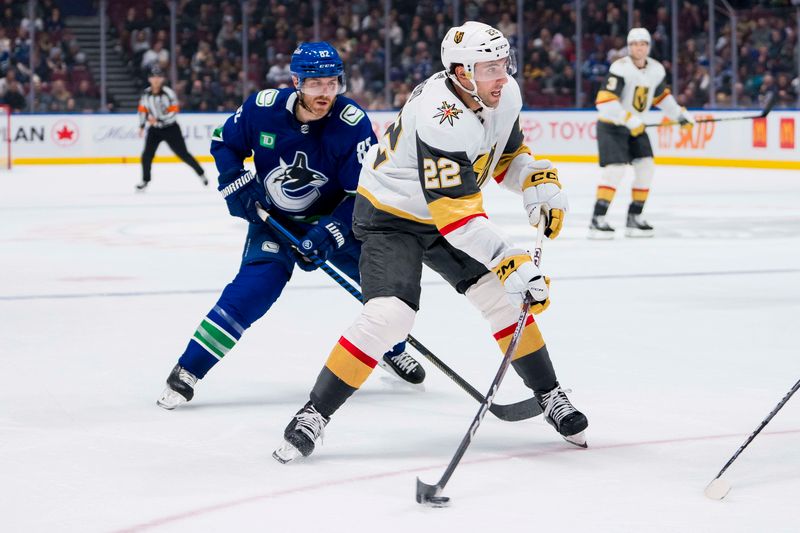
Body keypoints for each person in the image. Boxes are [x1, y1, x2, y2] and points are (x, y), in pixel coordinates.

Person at [272, 22, 588, 464]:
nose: (503, 75)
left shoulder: (502, 93)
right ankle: (314, 414)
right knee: (389, 315)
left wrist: (534, 178)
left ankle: (550, 395)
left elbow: (505, 156)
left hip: (446, 212)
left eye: (504, 63)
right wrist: (508, 259)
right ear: (461, 73)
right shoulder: (440, 116)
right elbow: (456, 218)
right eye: (490, 67)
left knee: (504, 300)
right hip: (391, 216)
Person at [157, 42, 425, 410]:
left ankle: (391, 347)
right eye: (316, 84)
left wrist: (331, 233)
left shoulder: (351, 124)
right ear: (297, 81)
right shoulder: (262, 108)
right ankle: (190, 367)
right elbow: (224, 143)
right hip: (274, 222)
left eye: (333, 83)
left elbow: (361, 195)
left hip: (334, 223)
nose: (325, 93)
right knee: (252, 291)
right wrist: (235, 181)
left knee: (379, 288)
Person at [590, 27, 695, 238]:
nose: (639, 48)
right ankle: (598, 219)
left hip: (636, 127)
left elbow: (661, 97)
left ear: (648, 46)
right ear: (629, 47)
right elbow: (604, 101)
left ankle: (634, 217)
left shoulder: (656, 70)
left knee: (646, 168)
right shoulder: (620, 68)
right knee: (615, 171)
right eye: (634, 44)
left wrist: (679, 115)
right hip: (612, 126)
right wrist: (628, 119)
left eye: (643, 44)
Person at [136, 65, 207, 191]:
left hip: (171, 128)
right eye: (153, 77)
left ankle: (201, 173)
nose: (156, 79)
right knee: (147, 155)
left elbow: (174, 112)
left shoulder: (169, 94)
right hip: (155, 129)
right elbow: (143, 110)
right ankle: (145, 180)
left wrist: (158, 119)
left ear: (162, 79)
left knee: (183, 154)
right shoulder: (146, 94)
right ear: (149, 79)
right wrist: (142, 125)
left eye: (158, 77)